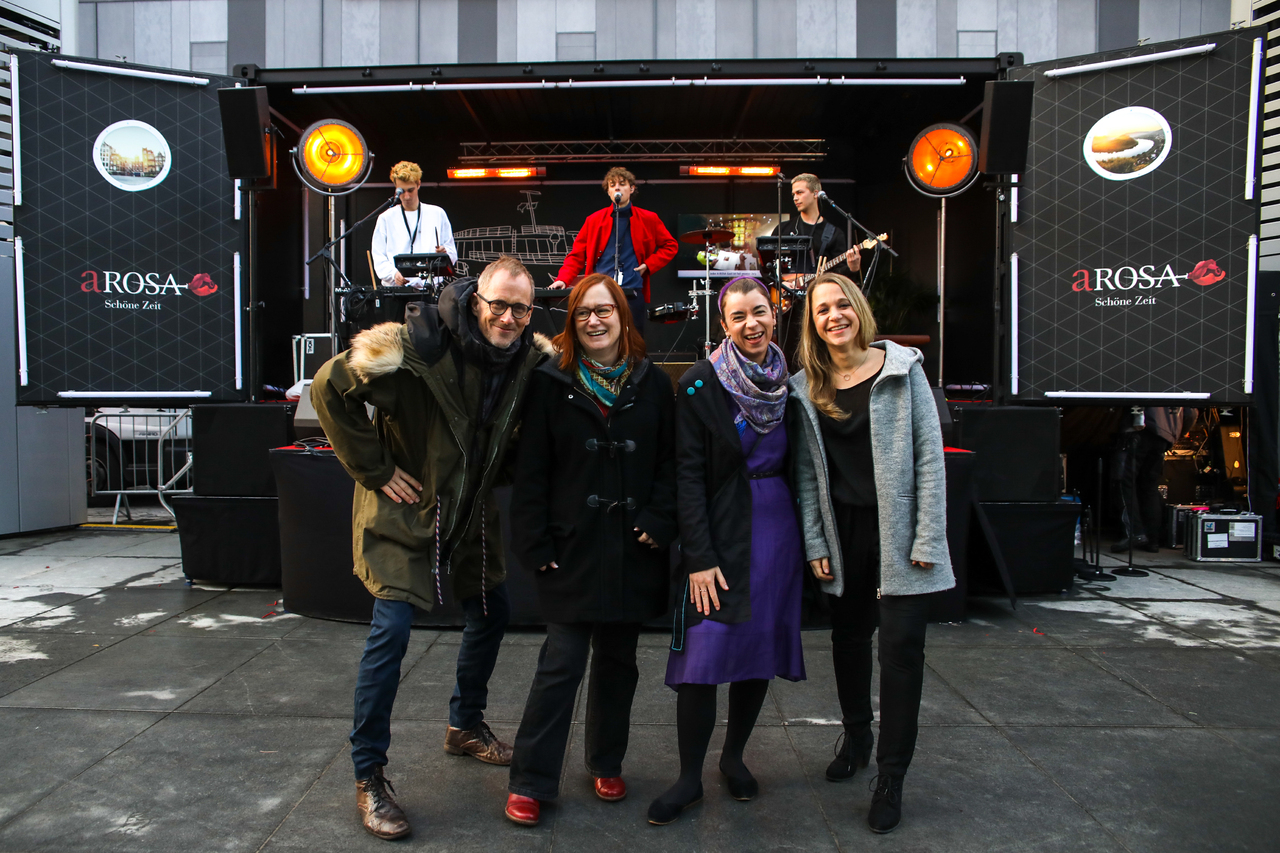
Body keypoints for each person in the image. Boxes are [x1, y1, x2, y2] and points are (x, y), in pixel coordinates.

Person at [310, 255, 549, 840]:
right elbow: (328, 388)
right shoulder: (415, 349)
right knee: (390, 633)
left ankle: (465, 725)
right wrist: (374, 468)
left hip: (472, 514)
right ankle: (369, 775)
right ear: (477, 300)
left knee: (492, 611)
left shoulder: (529, 363)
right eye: (499, 305)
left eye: (521, 309)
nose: (509, 318)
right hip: (407, 512)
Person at [503, 273, 678, 826]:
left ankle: (606, 761)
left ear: (623, 317)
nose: (595, 321)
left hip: (633, 550)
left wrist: (660, 518)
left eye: (605, 311)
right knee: (561, 663)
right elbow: (531, 472)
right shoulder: (549, 383)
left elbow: (671, 462)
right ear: (572, 323)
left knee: (619, 663)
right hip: (570, 550)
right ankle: (531, 781)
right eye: (583, 313)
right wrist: (534, 543)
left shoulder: (653, 383)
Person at [789, 273, 954, 835]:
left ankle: (891, 777)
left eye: (842, 305)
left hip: (900, 532)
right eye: (821, 310)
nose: (833, 316)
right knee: (849, 640)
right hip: (844, 534)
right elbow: (806, 473)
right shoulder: (806, 386)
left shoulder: (903, 369)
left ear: (858, 309)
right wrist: (815, 541)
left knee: (901, 653)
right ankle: (857, 736)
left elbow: (930, 457)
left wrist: (927, 536)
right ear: (812, 324)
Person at [647, 276, 806, 826]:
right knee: (703, 655)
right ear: (723, 324)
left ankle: (734, 757)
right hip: (716, 533)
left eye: (759, 311)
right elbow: (687, 475)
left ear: (774, 313)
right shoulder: (700, 382)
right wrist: (698, 557)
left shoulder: (791, 382)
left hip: (776, 532)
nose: (751, 324)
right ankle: (688, 778)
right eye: (738, 316)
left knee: (756, 651)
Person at [549, 167, 679, 335]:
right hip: (599, 290)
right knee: (600, 334)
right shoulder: (594, 220)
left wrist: (648, 265)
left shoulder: (648, 218)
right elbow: (577, 255)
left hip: (632, 289)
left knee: (633, 338)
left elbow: (670, 245)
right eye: (612, 185)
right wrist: (563, 279)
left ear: (631, 189)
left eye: (622, 184)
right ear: (609, 192)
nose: (617, 187)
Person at [1112, 406, 1189, 553]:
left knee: (1123, 481)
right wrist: (1175, 432)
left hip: (1139, 429)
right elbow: (1191, 412)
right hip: (1164, 436)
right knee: (1150, 487)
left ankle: (1134, 533)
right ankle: (1152, 540)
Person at [370, 160, 458, 287]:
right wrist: (393, 274)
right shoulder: (385, 218)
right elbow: (379, 257)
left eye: (410, 190)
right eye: (401, 191)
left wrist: (445, 254)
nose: (406, 196)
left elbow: (452, 254)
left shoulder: (437, 213)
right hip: (396, 290)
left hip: (429, 288)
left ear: (418, 184)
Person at [777, 174, 861, 278]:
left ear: (816, 193)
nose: (795, 198)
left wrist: (853, 268)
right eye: (793, 194)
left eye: (799, 193)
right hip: (787, 286)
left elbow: (840, 273)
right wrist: (783, 283)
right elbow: (768, 265)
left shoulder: (835, 233)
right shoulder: (783, 229)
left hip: (821, 286)